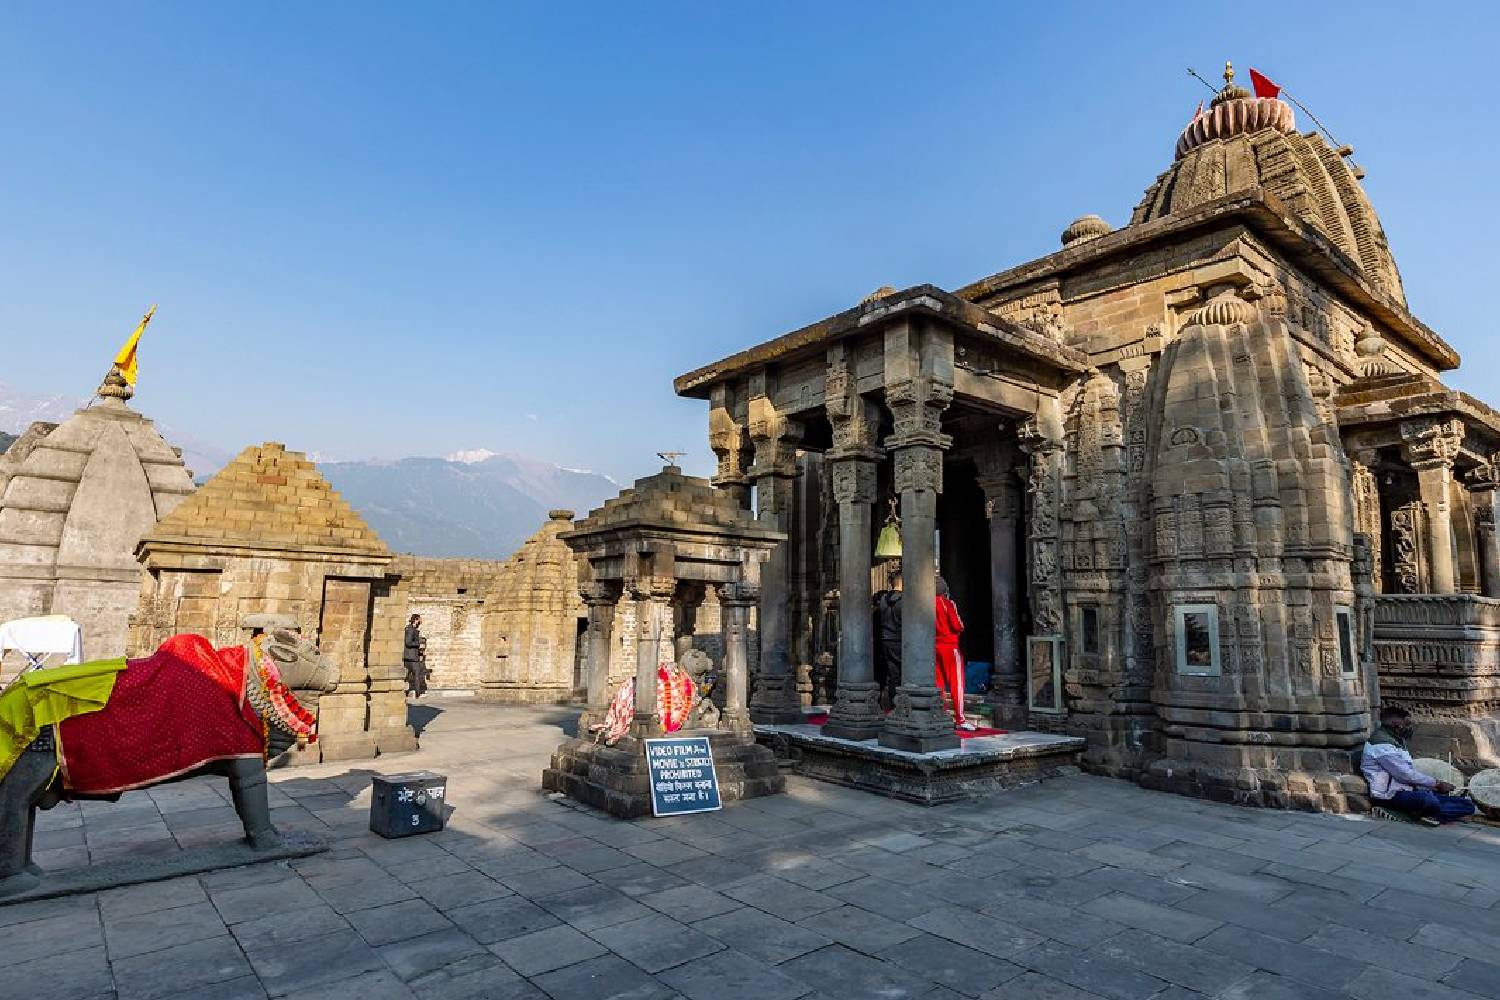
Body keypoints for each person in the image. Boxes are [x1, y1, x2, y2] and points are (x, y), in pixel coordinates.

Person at [1361, 706, 1475, 825]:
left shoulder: (1397, 740)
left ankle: (1428, 813)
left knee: (1467, 805)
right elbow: (1404, 775)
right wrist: (1437, 784)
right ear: (1395, 723)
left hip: (1407, 790)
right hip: (1390, 796)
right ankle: (1426, 813)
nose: (1409, 727)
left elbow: (1408, 772)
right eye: (1406, 723)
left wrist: (1431, 786)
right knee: (1428, 800)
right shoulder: (1382, 745)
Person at [935, 576, 974, 731]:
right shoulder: (948, 604)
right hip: (950, 647)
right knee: (957, 683)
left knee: (939, 685)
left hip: (934, 646)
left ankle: (942, 715)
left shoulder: (926, 605)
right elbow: (958, 626)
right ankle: (960, 718)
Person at [872, 569, 903, 710]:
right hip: (900, 640)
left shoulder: (883, 600)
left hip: (886, 640)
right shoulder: (904, 600)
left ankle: (892, 703)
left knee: (892, 675)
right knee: (902, 674)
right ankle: (901, 703)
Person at [403, 614, 428, 699]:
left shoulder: (411, 629)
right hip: (411, 657)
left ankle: (406, 692)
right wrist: (418, 644)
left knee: (408, 675)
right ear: (415, 620)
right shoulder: (410, 630)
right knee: (416, 674)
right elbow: (408, 642)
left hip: (410, 657)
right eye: (419, 620)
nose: (420, 622)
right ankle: (418, 693)